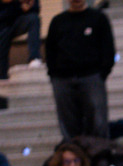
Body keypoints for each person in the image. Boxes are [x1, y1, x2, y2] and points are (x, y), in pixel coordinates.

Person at [44, 0, 115, 141]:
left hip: (92, 76)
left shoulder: (98, 18)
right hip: (62, 78)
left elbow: (108, 48)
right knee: (68, 122)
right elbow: (50, 50)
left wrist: (102, 72)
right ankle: (72, 155)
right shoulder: (58, 21)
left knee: (97, 120)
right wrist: (54, 74)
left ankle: (99, 156)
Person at [0, 0, 42, 81]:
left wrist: (29, 7)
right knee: (0, 68)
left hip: (16, 19)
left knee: (33, 19)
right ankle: (1, 80)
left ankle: (34, 58)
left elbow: (35, 7)